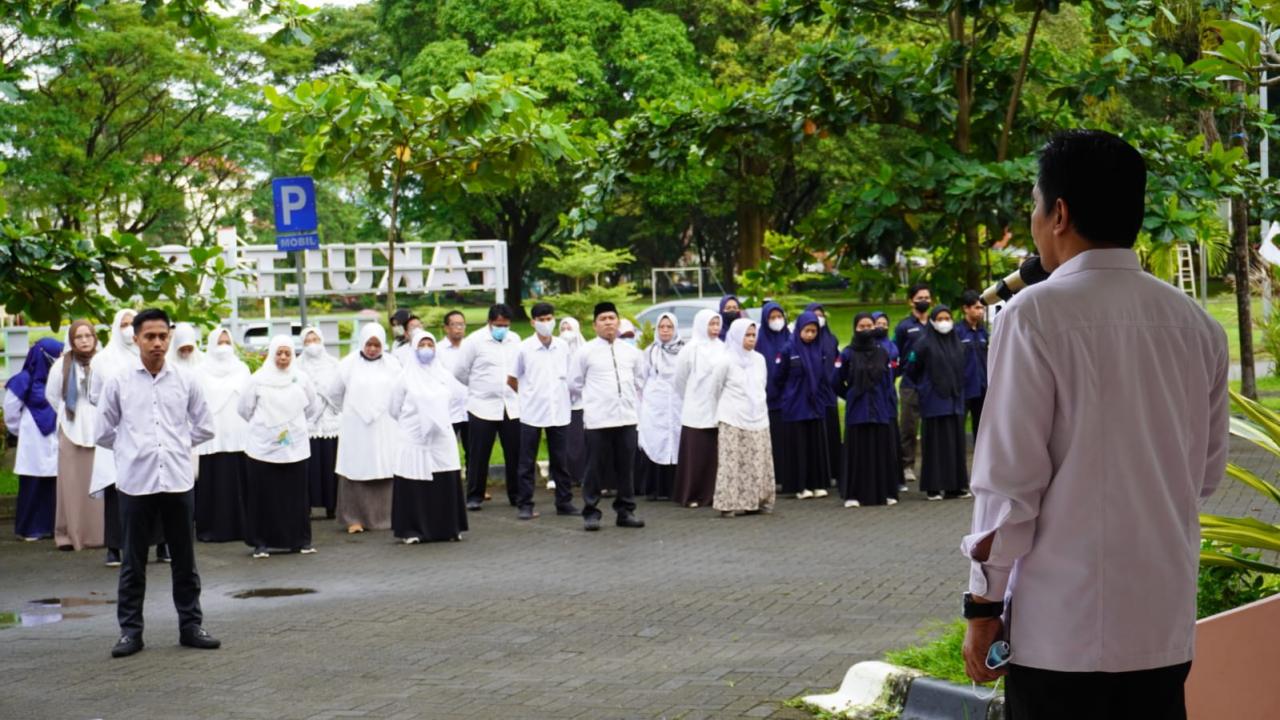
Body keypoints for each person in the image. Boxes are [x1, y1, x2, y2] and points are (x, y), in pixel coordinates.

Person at [961, 130, 1229, 720]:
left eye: (1035, 205)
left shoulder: (1033, 315)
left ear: (1059, 214)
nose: (1034, 221)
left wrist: (982, 606)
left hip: (1061, 634)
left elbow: (1008, 488)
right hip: (1161, 628)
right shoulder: (1198, 325)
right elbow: (1204, 475)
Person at [95, 308, 219, 658]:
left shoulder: (186, 379)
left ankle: (191, 626)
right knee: (133, 562)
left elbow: (205, 425)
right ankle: (130, 632)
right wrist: (131, 449)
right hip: (136, 483)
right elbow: (103, 431)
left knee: (184, 559)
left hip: (177, 480)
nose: (157, 343)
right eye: (149, 336)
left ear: (170, 337)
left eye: (163, 336)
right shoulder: (119, 381)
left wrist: (176, 444)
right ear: (136, 338)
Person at [89, 309, 166, 566]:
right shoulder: (103, 360)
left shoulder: (150, 356)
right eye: (123, 324)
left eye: (131, 324)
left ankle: (161, 544)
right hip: (116, 432)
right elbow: (94, 395)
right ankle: (115, 546)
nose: (127, 328)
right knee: (117, 490)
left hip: (150, 432)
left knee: (158, 485)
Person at [567, 302, 646, 531]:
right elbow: (574, 383)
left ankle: (626, 511)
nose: (608, 322)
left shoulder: (631, 352)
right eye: (603, 319)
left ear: (618, 322)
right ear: (595, 325)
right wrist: (595, 399)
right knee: (594, 467)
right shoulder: (585, 352)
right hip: (598, 419)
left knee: (625, 467)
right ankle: (591, 512)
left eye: (612, 318)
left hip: (627, 418)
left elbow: (640, 380)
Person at [238, 336, 319, 558]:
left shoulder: (301, 379)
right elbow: (244, 409)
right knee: (263, 497)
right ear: (272, 354)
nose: (283, 358)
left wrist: (294, 425)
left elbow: (312, 407)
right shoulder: (258, 380)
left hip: (294, 448)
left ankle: (299, 541)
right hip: (263, 449)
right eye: (279, 353)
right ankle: (261, 542)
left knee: (295, 497)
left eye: (287, 353)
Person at [388, 329, 470, 543]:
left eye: (430, 345)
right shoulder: (404, 377)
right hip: (414, 439)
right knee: (414, 481)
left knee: (445, 479)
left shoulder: (444, 376)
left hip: (441, 438)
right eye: (422, 345)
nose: (426, 349)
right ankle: (412, 530)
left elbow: (457, 399)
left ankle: (449, 527)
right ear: (414, 349)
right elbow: (394, 408)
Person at [330, 323, 402, 533]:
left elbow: (400, 393)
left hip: (384, 425)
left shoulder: (393, 365)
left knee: (384, 465)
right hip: (356, 426)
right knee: (355, 467)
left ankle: (386, 517)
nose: (372, 349)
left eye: (376, 345)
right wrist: (349, 410)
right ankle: (353, 519)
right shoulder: (347, 364)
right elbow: (334, 393)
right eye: (368, 344)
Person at [508, 302, 577, 519]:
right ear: (533, 322)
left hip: (559, 411)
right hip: (532, 412)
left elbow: (571, 376)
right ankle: (525, 504)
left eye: (549, 319)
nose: (546, 323)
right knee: (527, 462)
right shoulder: (524, 348)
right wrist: (528, 394)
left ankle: (564, 502)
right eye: (541, 320)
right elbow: (512, 379)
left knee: (561, 460)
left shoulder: (563, 346)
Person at [452, 304, 521, 511]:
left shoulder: (515, 339)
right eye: (498, 325)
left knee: (514, 453)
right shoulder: (474, 341)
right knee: (479, 454)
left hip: (511, 406)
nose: (502, 329)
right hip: (482, 406)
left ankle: (516, 495)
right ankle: (475, 495)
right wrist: (479, 387)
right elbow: (460, 371)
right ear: (490, 322)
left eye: (506, 325)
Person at [45, 320, 105, 550]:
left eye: (88, 335)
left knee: (99, 482)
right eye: (79, 337)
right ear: (71, 340)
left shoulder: (102, 363)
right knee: (71, 484)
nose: (84, 340)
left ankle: (100, 535)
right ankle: (70, 535)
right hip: (71, 428)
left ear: (94, 338)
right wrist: (69, 413)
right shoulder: (61, 365)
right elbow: (52, 396)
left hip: (99, 428)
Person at [709, 318, 775, 517]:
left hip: (757, 417)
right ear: (737, 336)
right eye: (747, 335)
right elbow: (714, 389)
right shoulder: (726, 361)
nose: (751, 339)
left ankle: (756, 501)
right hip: (732, 418)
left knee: (757, 461)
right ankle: (728, 503)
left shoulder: (759, 359)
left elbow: (762, 384)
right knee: (732, 462)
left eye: (754, 335)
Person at [192, 327, 251, 542]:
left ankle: (242, 528)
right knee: (214, 483)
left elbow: (249, 401)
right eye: (219, 342)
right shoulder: (200, 372)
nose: (224, 347)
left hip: (238, 436)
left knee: (238, 481)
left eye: (227, 342)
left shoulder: (242, 369)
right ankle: (212, 529)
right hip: (213, 437)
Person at [904, 306, 969, 500]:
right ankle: (934, 487)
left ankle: (954, 487)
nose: (944, 322)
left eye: (947, 318)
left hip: (954, 400)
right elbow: (912, 368)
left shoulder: (957, 343)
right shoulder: (923, 343)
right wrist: (925, 387)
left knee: (954, 445)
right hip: (933, 401)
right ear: (932, 321)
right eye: (940, 318)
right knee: (935, 445)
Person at [836, 313, 900, 508]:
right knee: (857, 454)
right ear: (855, 328)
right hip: (858, 411)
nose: (866, 330)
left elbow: (888, 381)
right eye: (861, 326)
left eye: (869, 326)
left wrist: (884, 401)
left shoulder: (883, 352)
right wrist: (851, 395)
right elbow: (835, 380)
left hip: (879, 411)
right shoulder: (847, 354)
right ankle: (853, 495)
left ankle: (884, 493)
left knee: (881, 452)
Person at [5, 337, 64, 541]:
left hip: (54, 438)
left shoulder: (60, 379)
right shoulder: (22, 380)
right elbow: (11, 412)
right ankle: (29, 528)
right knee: (33, 485)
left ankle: (52, 527)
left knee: (54, 485)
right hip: (33, 441)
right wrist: (23, 432)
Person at [775, 311, 831, 498]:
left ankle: (817, 484)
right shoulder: (788, 350)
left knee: (815, 445)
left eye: (814, 331)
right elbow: (779, 377)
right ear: (799, 329)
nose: (810, 335)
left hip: (815, 405)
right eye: (807, 330)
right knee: (798, 447)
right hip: (796, 405)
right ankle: (800, 486)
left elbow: (824, 377)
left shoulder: (819, 349)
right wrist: (788, 396)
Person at [672, 309, 724, 508]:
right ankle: (691, 494)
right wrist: (691, 397)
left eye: (717, 324)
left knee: (713, 455)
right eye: (711, 324)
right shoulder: (690, 349)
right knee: (696, 454)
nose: (715, 328)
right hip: (695, 408)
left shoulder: (723, 348)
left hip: (717, 408)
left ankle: (711, 494)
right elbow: (679, 379)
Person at [636, 312, 684, 501]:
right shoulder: (650, 352)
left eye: (669, 327)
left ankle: (674, 488)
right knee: (656, 441)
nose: (665, 331)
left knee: (676, 441)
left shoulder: (683, 351)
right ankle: (654, 489)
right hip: (655, 404)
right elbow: (641, 379)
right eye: (661, 327)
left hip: (677, 403)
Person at [297, 327, 342, 519]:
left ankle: (332, 506)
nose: (312, 345)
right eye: (308, 341)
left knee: (330, 463)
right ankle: (308, 505)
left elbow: (339, 390)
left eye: (315, 340)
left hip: (331, 420)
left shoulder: (334, 364)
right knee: (311, 466)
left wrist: (327, 398)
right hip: (309, 422)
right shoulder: (297, 365)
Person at [894, 283, 932, 483]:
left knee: (932, 427)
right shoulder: (904, 327)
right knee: (908, 426)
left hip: (932, 383)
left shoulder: (935, 324)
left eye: (927, 297)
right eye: (920, 298)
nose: (924, 301)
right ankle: (906, 465)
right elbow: (896, 353)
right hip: (910, 383)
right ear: (911, 301)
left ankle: (931, 465)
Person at [805, 302, 842, 488]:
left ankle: (834, 471)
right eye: (814, 315)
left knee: (832, 433)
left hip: (829, 392)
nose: (818, 318)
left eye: (821, 315)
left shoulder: (831, 339)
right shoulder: (805, 340)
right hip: (812, 395)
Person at [756, 301, 792, 490]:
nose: (776, 320)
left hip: (789, 400)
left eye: (779, 317)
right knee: (772, 441)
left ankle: (788, 478)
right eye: (772, 317)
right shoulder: (759, 340)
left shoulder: (790, 338)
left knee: (788, 441)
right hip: (767, 400)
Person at [871, 311, 907, 493]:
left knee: (892, 437)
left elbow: (896, 370)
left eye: (885, 324)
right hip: (872, 399)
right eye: (878, 323)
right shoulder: (867, 346)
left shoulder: (892, 347)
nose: (881, 327)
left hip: (889, 398)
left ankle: (895, 478)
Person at [437, 310, 470, 495]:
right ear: (446, 328)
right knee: (448, 450)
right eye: (454, 324)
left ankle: (474, 488)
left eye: (461, 324)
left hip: (471, 407)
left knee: (473, 451)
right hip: (449, 409)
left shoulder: (470, 347)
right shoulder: (438, 350)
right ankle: (449, 488)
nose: (458, 328)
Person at [557, 316, 587, 490]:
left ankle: (580, 475)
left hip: (580, 403)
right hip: (561, 403)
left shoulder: (584, 351)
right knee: (563, 442)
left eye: (569, 329)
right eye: (563, 329)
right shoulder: (556, 351)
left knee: (579, 442)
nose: (566, 333)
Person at [956, 290, 989, 440]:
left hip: (981, 387)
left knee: (981, 427)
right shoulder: (958, 332)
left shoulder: (983, 332)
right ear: (966, 308)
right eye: (976, 307)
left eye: (982, 308)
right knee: (959, 426)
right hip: (964, 387)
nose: (980, 311)